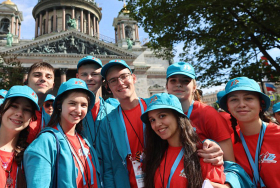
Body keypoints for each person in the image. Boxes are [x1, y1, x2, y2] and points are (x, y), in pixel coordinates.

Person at [99, 59, 226, 188]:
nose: (120, 83)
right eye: (113, 80)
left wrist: (209, 143)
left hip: (166, 177)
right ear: (107, 87)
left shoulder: (157, 105)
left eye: (124, 76)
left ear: (133, 78)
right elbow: (109, 166)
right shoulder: (106, 122)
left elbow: (188, 136)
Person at [24, 78, 102, 187]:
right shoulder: (45, 142)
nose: (78, 110)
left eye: (83, 105)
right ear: (60, 105)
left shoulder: (84, 140)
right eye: (72, 103)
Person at [219, 77, 280, 187]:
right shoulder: (228, 145)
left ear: (261, 105)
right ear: (228, 107)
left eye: (248, 98)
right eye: (234, 99)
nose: (241, 104)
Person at [141, 93, 226, 188]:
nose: (157, 124)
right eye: (152, 120)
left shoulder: (205, 154)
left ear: (178, 117)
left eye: (162, 116)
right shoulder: (154, 154)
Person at [166, 62, 235, 161]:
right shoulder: (162, 115)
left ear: (194, 87)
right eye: (173, 80)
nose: (178, 84)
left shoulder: (208, 113)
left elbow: (230, 162)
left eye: (185, 81)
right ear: (167, 86)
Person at [76, 56, 114, 152]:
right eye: (84, 74)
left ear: (102, 78)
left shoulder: (113, 110)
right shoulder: (71, 112)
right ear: (77, 77)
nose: (89, 78)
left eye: (94, 74)